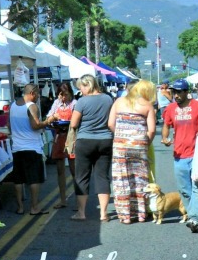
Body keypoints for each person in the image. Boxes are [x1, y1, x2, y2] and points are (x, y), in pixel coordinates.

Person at [161, 78, 198, 232]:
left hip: (197, 154)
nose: (175, 95)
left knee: (197, 187)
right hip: (179, 154)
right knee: (184, 190)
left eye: (178, 92)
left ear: (186, 92)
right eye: (173, 92)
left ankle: (195, 218)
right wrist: (164, 138)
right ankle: (193, 215)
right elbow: (166, 126)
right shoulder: (170, 108)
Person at [108, 79, 157, 223]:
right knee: (140, 177)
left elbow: (111, 124)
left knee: (122, 178)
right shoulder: (147, 105)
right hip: (140, 144)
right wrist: (144, 142)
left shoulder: (118, 102)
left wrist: (121, 136)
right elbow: (152, 130)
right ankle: (141, 213)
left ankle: (125, 215)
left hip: (121, 145)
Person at [68, 74, 114, 222]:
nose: (80, 90)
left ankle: (81, 212)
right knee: (102, 176)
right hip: (105, 140)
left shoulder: (82, 101)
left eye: (81, 87)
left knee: (82, 177)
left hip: (85, 141)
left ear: (87, 85)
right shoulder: (108, 99)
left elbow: (74, 124)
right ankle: (104, 213)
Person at [9, 84, 53, 215]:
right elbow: (35, 125)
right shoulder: (32, 106)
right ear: (32, 93)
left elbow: (8, 124)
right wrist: (49, 121)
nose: (39, 96)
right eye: (38, 94)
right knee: (34, 179)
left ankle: (20, 207)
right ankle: (34, 207)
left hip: (17, 147)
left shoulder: (13, 105)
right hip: (32, 147)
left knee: (18, 179)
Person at [45, 82, 77, 209]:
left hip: (71, 137)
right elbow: (48, 119)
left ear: (70, 93)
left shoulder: (75, 104)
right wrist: (54, 117)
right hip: (59, 136)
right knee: (60, 171)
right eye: (61, 95)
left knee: (74, 171)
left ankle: (78, 201)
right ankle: (63, 200)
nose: (63, 98)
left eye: (66, 95)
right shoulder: (56, 104)